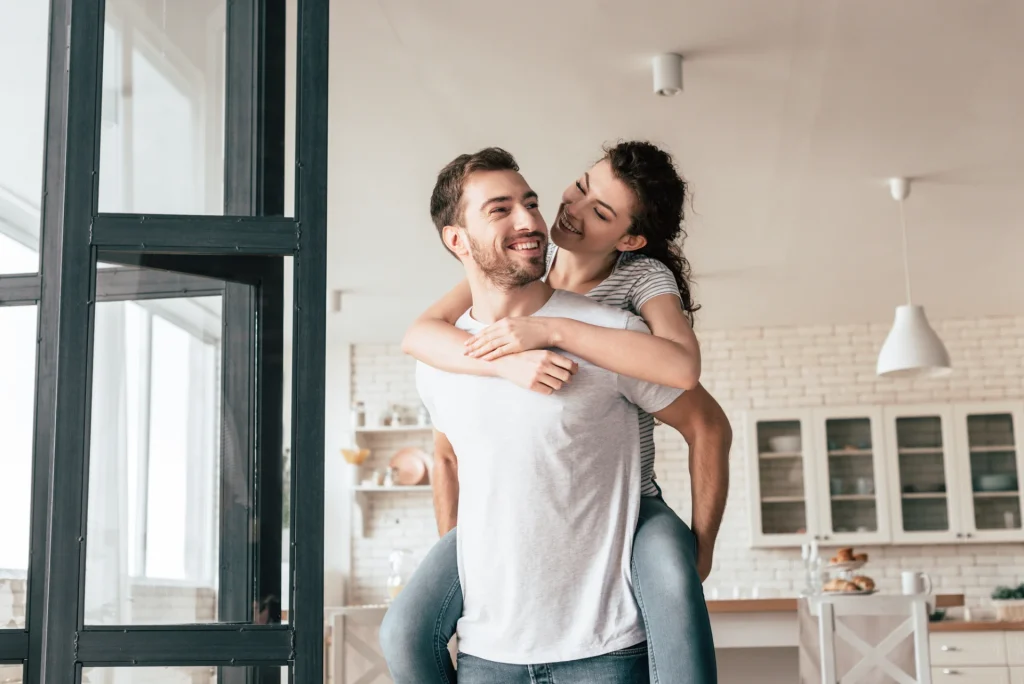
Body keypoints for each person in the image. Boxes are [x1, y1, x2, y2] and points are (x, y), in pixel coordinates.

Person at [381, 144, 731, 684]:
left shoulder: (632, 297)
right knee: (401, 631)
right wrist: (505, 363)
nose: (565, 211)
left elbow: (688, 379)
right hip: (495, 632)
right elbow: (426, 356)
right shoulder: (481, 311)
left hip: (631, 505)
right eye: (580, 188)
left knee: (675, 581)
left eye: (601, 213)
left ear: (629, 237)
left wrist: (553, 331)